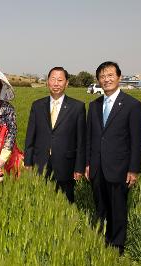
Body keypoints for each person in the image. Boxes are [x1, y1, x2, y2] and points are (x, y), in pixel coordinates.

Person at [85, 61, 141, 255]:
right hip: (96, 167)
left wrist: (133, 169)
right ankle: (101, 241)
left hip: (120, 168)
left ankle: (117, 247)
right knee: (100, 207)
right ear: (98, 80)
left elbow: (138, 141)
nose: (106, 79)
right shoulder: (94, 105)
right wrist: (87, 163)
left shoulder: (132, 105)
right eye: (102, 76)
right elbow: (89, 137)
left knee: (118, 210)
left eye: (110, 75)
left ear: (119, 77)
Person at [23, 67, 86, 203]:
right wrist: (27, 162)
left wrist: (79, 167)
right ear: (47, 82)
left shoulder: (77, 107)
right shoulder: (37, 105)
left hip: (66, 164)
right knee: (40, 202)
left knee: (66, 202)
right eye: (53, 79)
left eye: (60, 80)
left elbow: (81, 140)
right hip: (40, 162)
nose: (56, 83)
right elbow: (30, 136)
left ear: (67, 83)